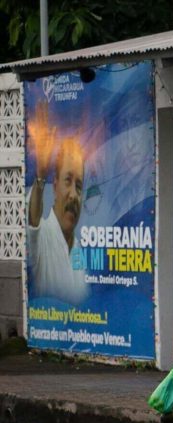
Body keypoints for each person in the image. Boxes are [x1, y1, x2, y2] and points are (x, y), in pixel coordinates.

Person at [27, 105, 89, 305]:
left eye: (79, 186)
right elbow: (33, 221)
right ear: (54, 186)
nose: (73, 195)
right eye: (68, 181)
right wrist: (40, 177)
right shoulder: (42, 236)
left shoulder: (79, 249)